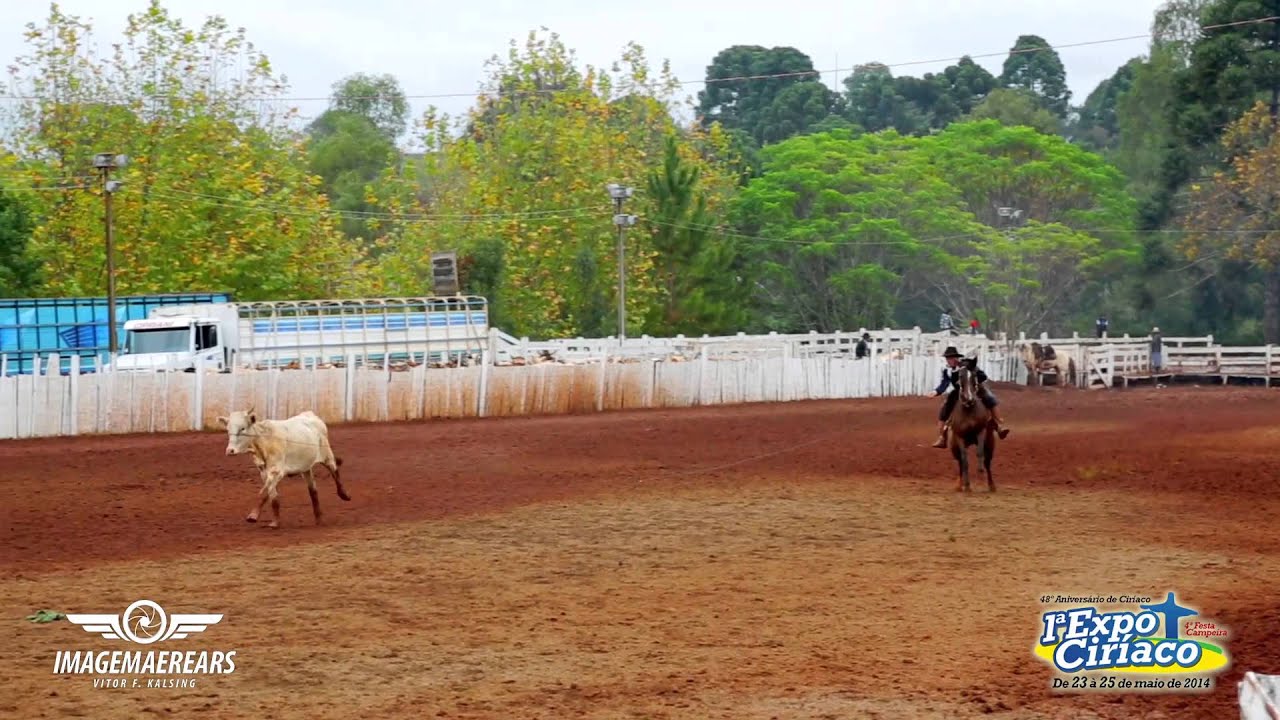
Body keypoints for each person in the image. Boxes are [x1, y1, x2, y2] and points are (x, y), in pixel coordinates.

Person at [930, 346, 1010, 448]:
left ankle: (999, 426)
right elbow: (944, 383)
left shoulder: (967, 365)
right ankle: (942, 437)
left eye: (951, 358)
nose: (949, 360)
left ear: (956, 358)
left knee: (990, 397)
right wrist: (936, 391)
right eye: (948, 358)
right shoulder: (947, 370)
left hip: (974, 388)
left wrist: (975, 376)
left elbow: (983, 376)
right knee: (945, 407)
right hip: (958, 391)